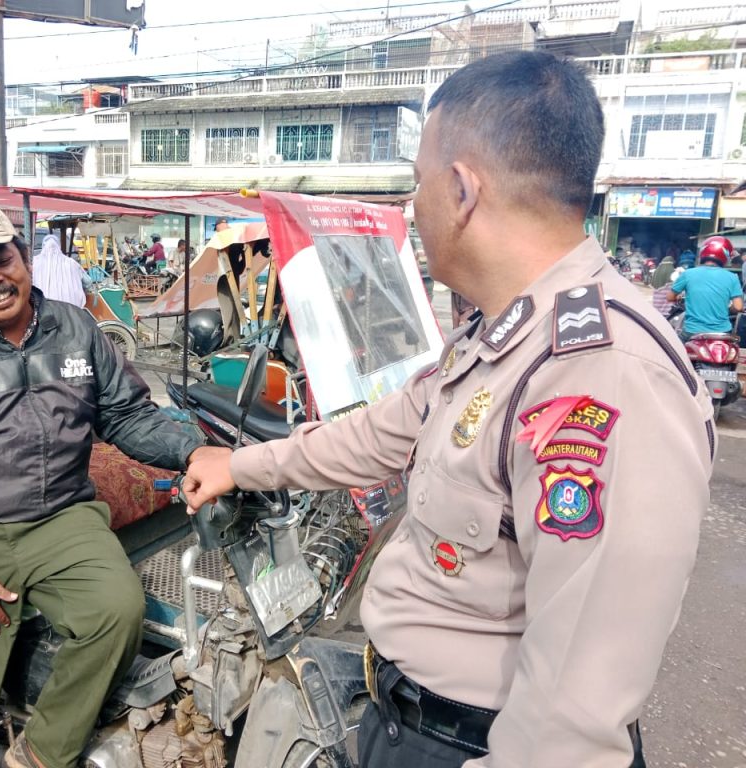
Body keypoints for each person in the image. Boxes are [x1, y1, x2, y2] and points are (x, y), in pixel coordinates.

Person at [184, 51, 713, 767]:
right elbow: (379, 434)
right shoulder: (499, 335)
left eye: (417, 185)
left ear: (462, 190)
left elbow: (569, 725)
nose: (412, 209)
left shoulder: (601, 374)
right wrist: (240, 464)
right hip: (405, 719)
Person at [0, 199, 206, 768]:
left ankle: (40, 753)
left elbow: (128, 416)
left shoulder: (76, 327)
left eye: (0, 258)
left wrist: (194, 450)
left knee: (116, 610)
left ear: (22, 255)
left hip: (63, 516)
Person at [667, 235, 743, 342]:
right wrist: (728, 309)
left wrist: (678, 298)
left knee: (674, 353)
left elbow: (670, 297)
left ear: (703, 253)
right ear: (725, 256)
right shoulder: (732, 277)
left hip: (692, 332)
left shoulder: (688, 274)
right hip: (722, 333)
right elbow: (738, 307)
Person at [32, 232, 94, 308]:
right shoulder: (72, 263)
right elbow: (88, 282)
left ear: (43, 247)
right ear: (59, 247)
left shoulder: (34, 263)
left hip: (41, 310)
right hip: (72, 311)